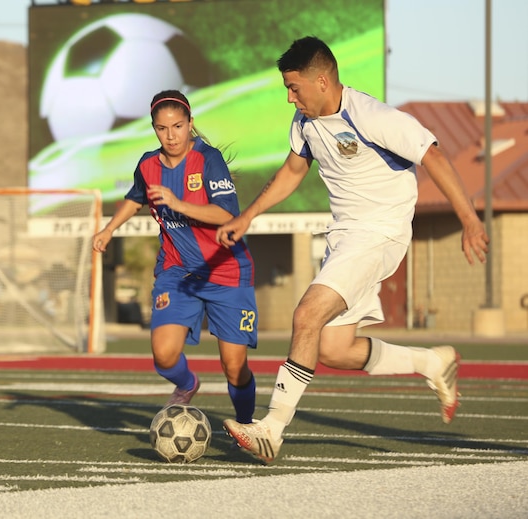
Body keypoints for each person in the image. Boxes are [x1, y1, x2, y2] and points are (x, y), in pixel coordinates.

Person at [216, 36, 489, 464]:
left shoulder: (370, 115)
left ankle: (272, 429)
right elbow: (292, 170)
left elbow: (432, 155)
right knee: (332, 348)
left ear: (321, 81)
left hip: (379, 233)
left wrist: (470, 219)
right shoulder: (304, 123)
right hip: (345, 238)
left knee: (306, 315)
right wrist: (248, 215)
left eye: (294, 88)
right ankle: (431, 363)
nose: (289, 98)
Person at [93, 89, 259, 426]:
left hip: (226, 271)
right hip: (177, 271)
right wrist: (108, 229)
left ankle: (245, 426)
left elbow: (227, 215)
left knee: (234, 367)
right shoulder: (148, 164)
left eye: (178, 126)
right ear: (154, 128)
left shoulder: (208, 159)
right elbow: (135, 197)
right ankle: (187, 383)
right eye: (162, 128)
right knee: (164, 355)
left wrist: (179, 204)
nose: (171, 136)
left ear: (190, 124)